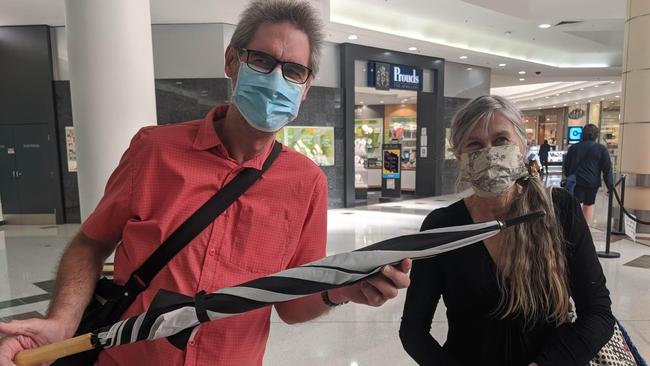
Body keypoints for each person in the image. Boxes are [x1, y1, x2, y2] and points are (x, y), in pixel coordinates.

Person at [0, 1, 411, 365]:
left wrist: (344, 290)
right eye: (262, 61)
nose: (276, 79)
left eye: (294, 70)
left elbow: (290, 306)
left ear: (305, 88)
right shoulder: (153, 150)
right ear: (232, 61)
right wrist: (61, 321)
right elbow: (91, 244)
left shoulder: (305, 183)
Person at [399, 96, 614, 365]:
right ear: (459, 156)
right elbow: (413, 330)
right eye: (475, 144)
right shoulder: (443, 225)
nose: (489, 153)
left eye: (501, 140)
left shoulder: (559, 210)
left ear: (522, 145)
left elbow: (598, 312)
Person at [562, 124, 614, 224]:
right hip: (592, 183)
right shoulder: (601, 149)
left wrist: (570, 176)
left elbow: (566, 166)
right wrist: (610, 186)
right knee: (589, 205)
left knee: (577, 205)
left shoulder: (574, 148)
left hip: (577, 181)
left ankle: (576, 228)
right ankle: (586, 230)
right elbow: (607, 169)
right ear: (596, 135)